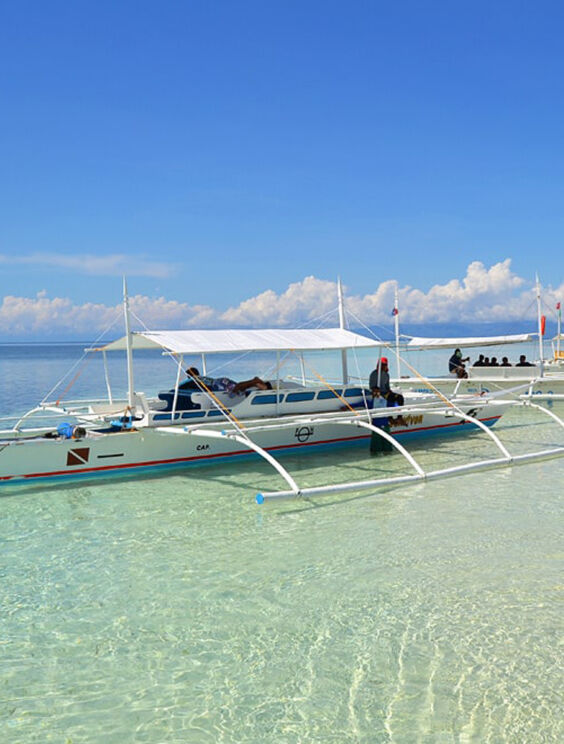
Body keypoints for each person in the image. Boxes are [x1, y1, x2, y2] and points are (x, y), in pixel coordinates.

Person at [181, 367, 272, 395]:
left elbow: (184, 386)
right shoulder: (201, 377)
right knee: (238, 387)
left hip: (217, 385)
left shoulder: (194, 380)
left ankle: (254, 381)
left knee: (236, 389)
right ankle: (255, 382)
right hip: (219, 381)